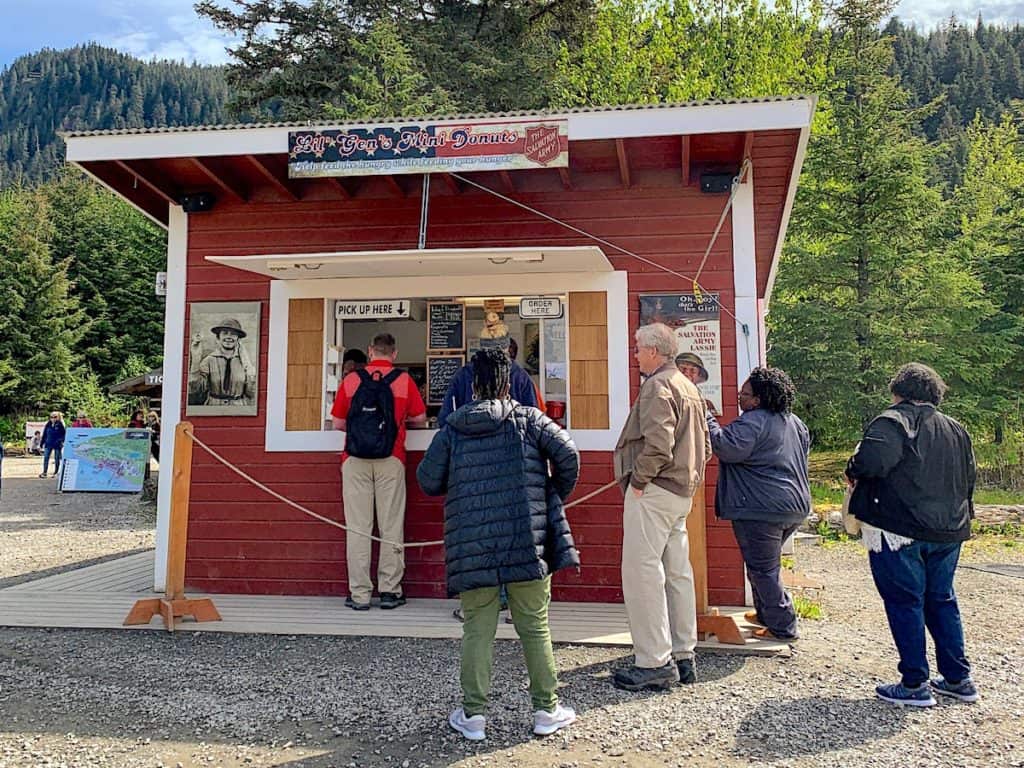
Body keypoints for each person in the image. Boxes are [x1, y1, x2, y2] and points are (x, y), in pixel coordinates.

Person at [416, 348, 581, 741]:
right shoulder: (529, 419)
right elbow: (569, 455)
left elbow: (427, 480)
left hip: (472, 543)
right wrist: (551, 494)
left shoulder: (453, 427)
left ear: (473, 385)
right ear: (510, 383)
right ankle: (546, 710)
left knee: (477, 630)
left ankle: (473, 716)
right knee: (535, 628)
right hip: (527, 538)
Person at [846, 363, 977, 708]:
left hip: (898, 528)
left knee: (905, 601)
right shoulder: (956, 429)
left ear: (898, 391)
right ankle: (957, 678)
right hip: (949, 529)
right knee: (942, 600)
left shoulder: (893, 421)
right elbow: (969, 478)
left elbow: (871, 462)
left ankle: (914, 682)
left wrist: (852, 466)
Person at [612, 323, 710, 691]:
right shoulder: (688, 386)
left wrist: (638, 481)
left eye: (638, 348)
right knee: (677, 573)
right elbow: (706, 447)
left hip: (654, 490)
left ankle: (653, 661)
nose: (635, 353)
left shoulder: (657, 386)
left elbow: (658, 445)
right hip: (681, 492)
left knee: (642, 574)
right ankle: (684, 655)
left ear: (654, 351)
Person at [706, 366, 810, 643]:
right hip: (794, 505)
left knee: (764, 568)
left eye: (745, 393)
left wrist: (708, 418)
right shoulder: (794, 422)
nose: (740, 397)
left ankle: (783, 625)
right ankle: (765, 614)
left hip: (761, 507)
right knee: (762, 563)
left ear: (759, 398)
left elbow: (726, 447)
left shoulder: (752, 421)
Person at [331, 333, 426, 610]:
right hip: (391, 458)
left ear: (371, 351)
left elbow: (338, 423)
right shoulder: (404, 381)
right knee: (390, 526)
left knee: (358, 528)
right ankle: (390, 591)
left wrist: (363, 431)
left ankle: (359, 594)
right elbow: (420, 419)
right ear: (394, 354)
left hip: (355, 459)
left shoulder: (350, 381)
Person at [437, 336, 537, 425]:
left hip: (468, 442)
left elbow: (444, 420)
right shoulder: (521, 377)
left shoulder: (462, 375)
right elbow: (533, 422)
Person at [189, 318, 257, 407]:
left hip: (239, 409)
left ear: (238, 339)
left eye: (233, 334)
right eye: (225, 333)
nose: (229, 337)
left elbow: (251, 393)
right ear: (218, 338)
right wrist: (195, 359)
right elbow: (195, 389)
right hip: (213, 408)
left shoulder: (245, 362)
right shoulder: (209, 360)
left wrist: (250, 372)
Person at [676, 352, 718, 416]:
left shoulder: (706, 404)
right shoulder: (666, 396)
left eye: (693, 371)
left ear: (698, 376)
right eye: (683, 369)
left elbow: (710, 422)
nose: (686, 374)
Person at [39, 411, 66, 478]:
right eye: (51, 417)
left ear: (58, 417)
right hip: (48, 443)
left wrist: (60, 441)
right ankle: (44, 472)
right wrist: (41, 443)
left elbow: (64, 434)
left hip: (57, 444)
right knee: (46, 458)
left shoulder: (60, 424)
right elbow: (45, 434)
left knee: (57, 459)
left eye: (55, 417)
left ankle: (56, 472)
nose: (53, 418)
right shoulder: (48, 424)